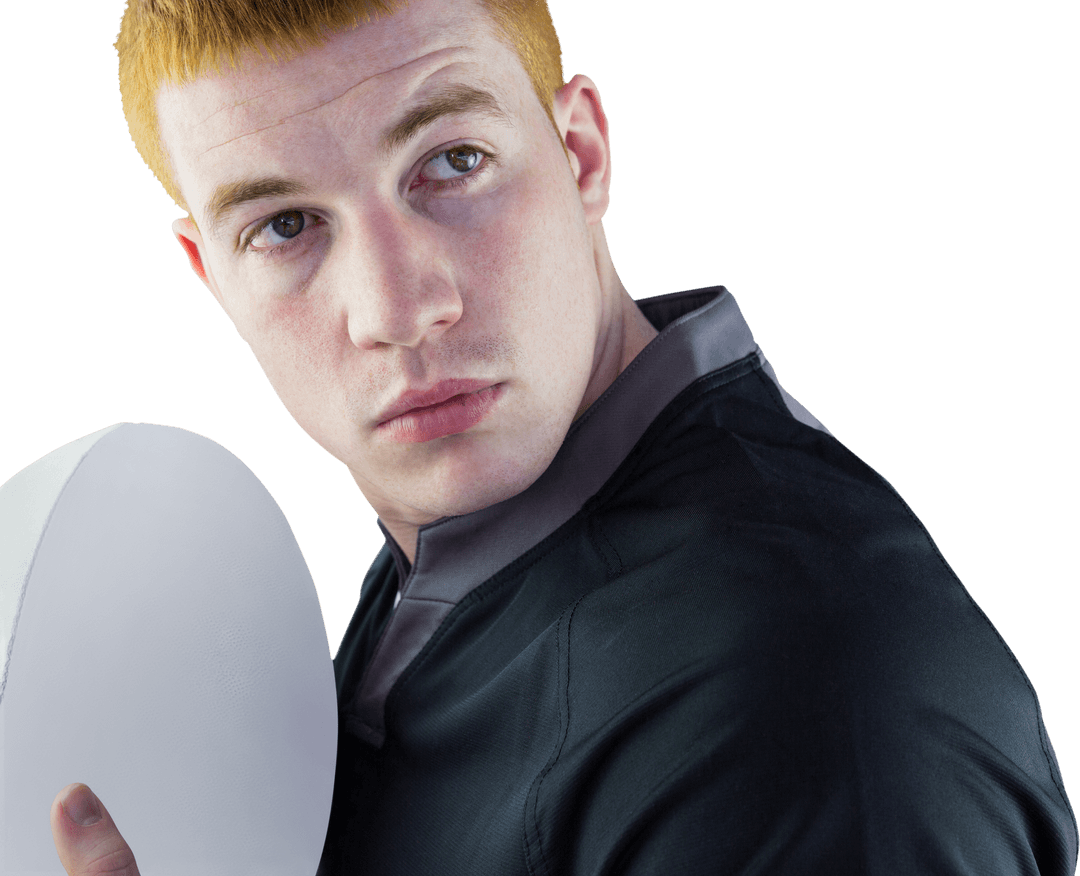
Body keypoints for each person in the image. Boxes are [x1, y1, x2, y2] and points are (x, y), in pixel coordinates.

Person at [50, 0, 1077, 873]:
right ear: (210, 274)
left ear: (581, 151)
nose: (396, 308)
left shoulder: (794, 695)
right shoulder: (464, 549)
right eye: (283, 227)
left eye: (451, 163)